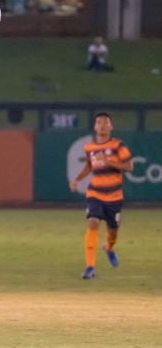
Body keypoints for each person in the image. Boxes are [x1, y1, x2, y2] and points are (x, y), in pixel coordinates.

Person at [69, 112, 133, 279]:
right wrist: (77, 179)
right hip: (95, 193)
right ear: (95, 126)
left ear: (111, 126)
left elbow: (129, 166)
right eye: (99, 122)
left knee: (113, 231)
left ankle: (109, 248)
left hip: (114, 196)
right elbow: (89, 167)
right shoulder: (89, 148)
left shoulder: (119, 145)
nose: (102, 125)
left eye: (106, 123)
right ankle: (90, 267)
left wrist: (108, 160)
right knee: (92, 222)